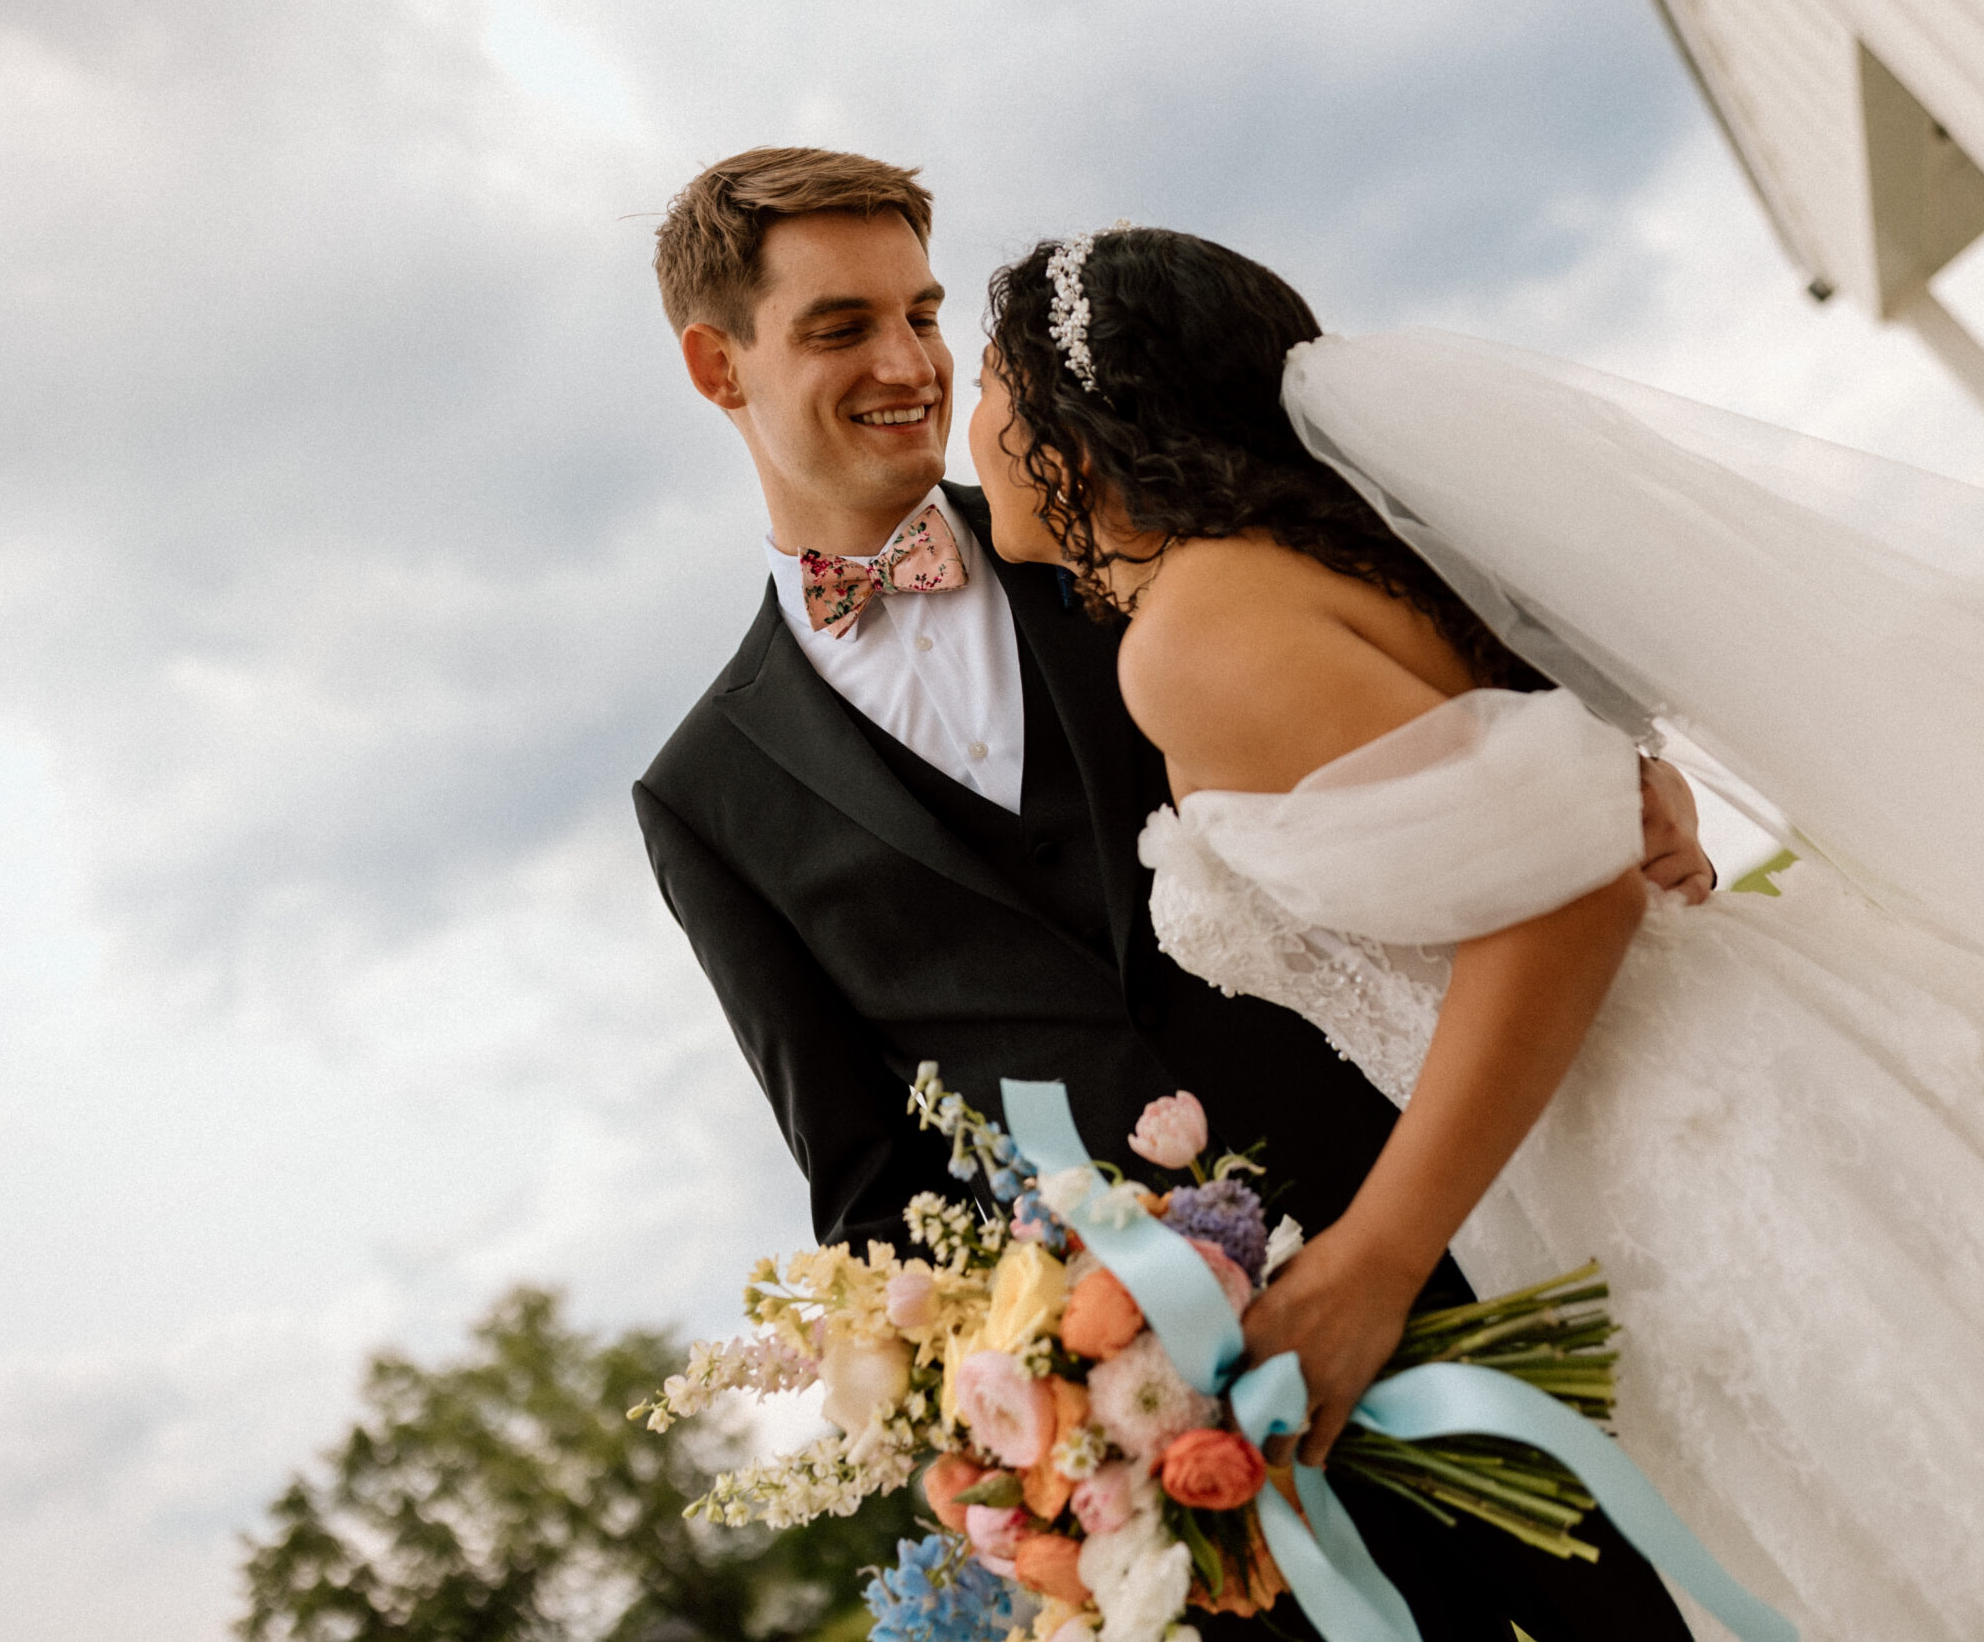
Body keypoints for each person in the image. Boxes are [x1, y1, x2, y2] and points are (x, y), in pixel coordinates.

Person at [968, 222, 1984, 1642]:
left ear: (1075, 421)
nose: (968, 425)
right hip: (1699, 1084)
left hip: (1683, 1139)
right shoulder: (1310, 561)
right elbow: (1557, 797)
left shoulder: (1190, 632)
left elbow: (1560, 890)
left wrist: (1374, 1258)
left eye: (985, 381)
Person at [630, 148, 1702, 1641]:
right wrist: (1040, 1458)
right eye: (839, 327)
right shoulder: (703, 796)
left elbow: (1446, 691)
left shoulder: (1110, 528)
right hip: (1193, 1462)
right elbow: (875, 1192)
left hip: (1482, 1246)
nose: (910, 364)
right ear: (714, 362)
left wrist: (1617, 777)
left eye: (924, 313)